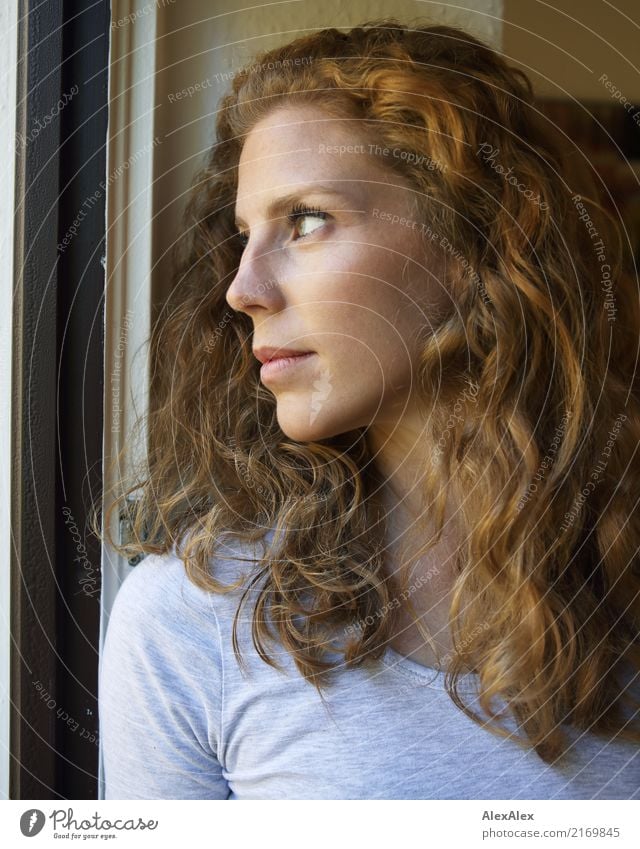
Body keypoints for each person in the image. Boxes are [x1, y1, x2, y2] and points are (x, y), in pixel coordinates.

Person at [98, 18, 640, 799]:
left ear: (472, 243)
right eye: (246, 233)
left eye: (307, 219)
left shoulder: (620, 576)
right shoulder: (194, 623)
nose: (243, 289)